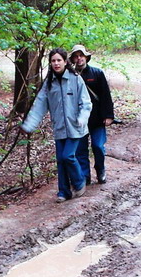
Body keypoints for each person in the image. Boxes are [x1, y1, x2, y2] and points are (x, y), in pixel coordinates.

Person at [21, 48, 91, 202]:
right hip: (59, 128)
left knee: (68, 156)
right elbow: (39, 105)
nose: (56, 63)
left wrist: (82, 118)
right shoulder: (49, 83)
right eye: (53, 61)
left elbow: (86, 103)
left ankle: (79, 182)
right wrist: (29, 125)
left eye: (59, 60)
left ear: (65, 62)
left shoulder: (76, 79)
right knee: (60, 160)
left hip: (76, 127)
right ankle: (64, 192)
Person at [69, 44, 114, 185]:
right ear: (72, 59)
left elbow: (105, 96)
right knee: (80, 150)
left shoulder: (97, 73)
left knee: (98, 146)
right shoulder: (70, 76)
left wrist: (108, 115)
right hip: (79, 120)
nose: (79, 58)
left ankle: (100, 169)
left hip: (97, 119)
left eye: (81, 55)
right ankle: (85, 176)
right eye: (76, 56)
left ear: (86, 57)